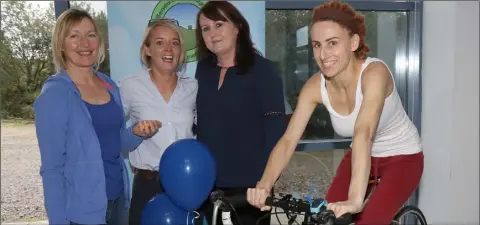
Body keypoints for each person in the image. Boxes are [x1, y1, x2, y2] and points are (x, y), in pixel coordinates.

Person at [247, 1, 424, 224]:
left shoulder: (375, 73)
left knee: (369, 220)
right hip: (360, 157)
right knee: (325, 219)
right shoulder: (314, 87)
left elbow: (364, 132)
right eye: (317, 45)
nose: (323, 54)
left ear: (353, 42)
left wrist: (355, 200)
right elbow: (288, 140)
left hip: (403, 158)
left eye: (332, 43)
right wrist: (264, 185)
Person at [33, 9, 160, 225]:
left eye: (91, 34)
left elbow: (115, 142)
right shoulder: (55, 95)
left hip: (118, 200)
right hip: (82, 212)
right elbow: (52, 168)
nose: (84, 43)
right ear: (61, 44)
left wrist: (136, 133)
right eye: (74, 36)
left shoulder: (109, 85)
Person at [194, 1, 286, 225]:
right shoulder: (203, 70)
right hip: (208, 185)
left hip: (250, 189)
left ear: (237, 27)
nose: (212, 33)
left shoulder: (263, 70)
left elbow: (276, 133)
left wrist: (265, 183)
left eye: (218, 24)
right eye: (205, 29)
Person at [117, 19, 198, 225]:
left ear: (181, 52)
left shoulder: (193, 87)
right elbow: (115, 141)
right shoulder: (129, 86)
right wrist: (135, 132)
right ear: (148, 49)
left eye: (175, 43)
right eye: (160, 42)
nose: (168, 49)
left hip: (187, 184)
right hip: (148, 186)